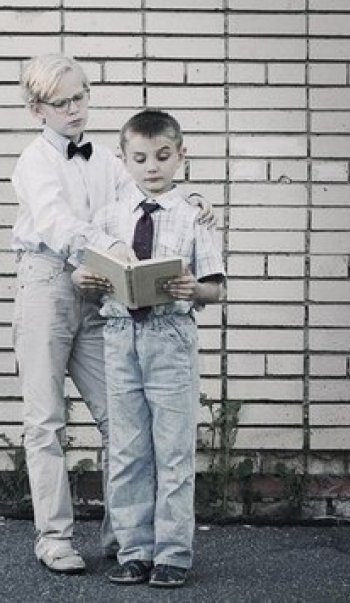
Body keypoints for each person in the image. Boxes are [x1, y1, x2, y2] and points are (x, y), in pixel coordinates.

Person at [72, 110, 225, 588]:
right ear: (124, 160)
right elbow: (81, 272)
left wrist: (193, 289)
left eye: (162, 156)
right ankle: (134, 551)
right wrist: (86, 279)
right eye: (139, 158)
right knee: (128, 450)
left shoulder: (194, 216)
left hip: (169, 338)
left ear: (181, 155)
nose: (152, 167)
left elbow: (216, 288)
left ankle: (172, 554)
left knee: (173, 451)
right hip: (120, 337)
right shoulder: (108, 216)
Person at [11, 53, 129, 573]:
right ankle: (55, 538)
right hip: (47, 283)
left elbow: (138, 201)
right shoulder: (34, 161)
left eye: (80, 97)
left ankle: (125, 536)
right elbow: (56, 223)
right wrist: (99, 251)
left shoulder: (107, 160)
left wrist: (189, 201)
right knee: (46, 421)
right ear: (37, 109)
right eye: (62, 103)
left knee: (120, 416)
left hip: (99, 286)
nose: (75, 109)